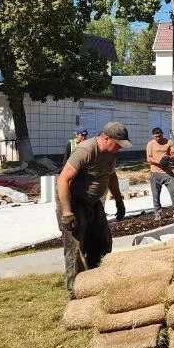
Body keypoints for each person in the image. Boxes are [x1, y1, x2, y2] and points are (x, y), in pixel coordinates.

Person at [56, 121, 130, 293]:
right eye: (118, 144)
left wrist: (119, 200)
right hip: (73, 203)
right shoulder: (86, 150)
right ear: (105, 138)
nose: (119, 148)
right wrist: (67, 212)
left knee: (103, 241)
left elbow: (111, 177)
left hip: (93, 202)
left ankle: (96, 281)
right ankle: (77, 291)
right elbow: (63, 180)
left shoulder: (111, 153)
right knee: (75, 248)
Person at [146, 126, 174, 219]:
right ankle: (158, 214)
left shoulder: (168, 142)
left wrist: (170, 158)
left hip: (168, 173)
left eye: (159, 136)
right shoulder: (150, 144)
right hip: (155, 173)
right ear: (153, 136)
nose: (158, 138)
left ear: (162, 134)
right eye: (156, 136)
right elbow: (149, 159)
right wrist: (159, 162)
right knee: (156, 195)